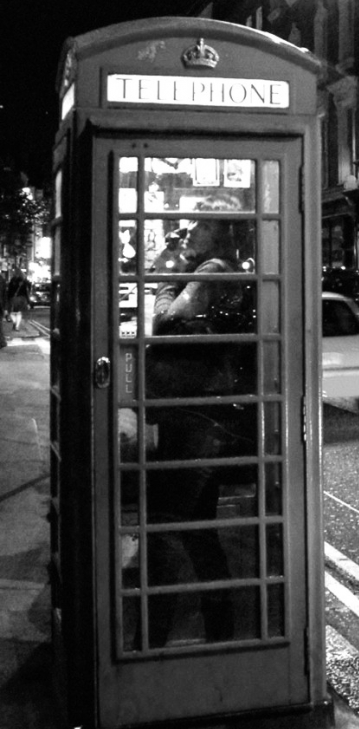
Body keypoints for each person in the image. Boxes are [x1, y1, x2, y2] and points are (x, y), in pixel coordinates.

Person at [142, 199, 253, 648]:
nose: (189, 228)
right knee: (197, 529)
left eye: (200, 222)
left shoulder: (212, 271)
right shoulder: (214, 268)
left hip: (196, 419)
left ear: (220, 230)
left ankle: (150, 638)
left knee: (164, 528)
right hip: (196, 414)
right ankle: (220, 630)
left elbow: (164, 319)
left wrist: (167, 275)